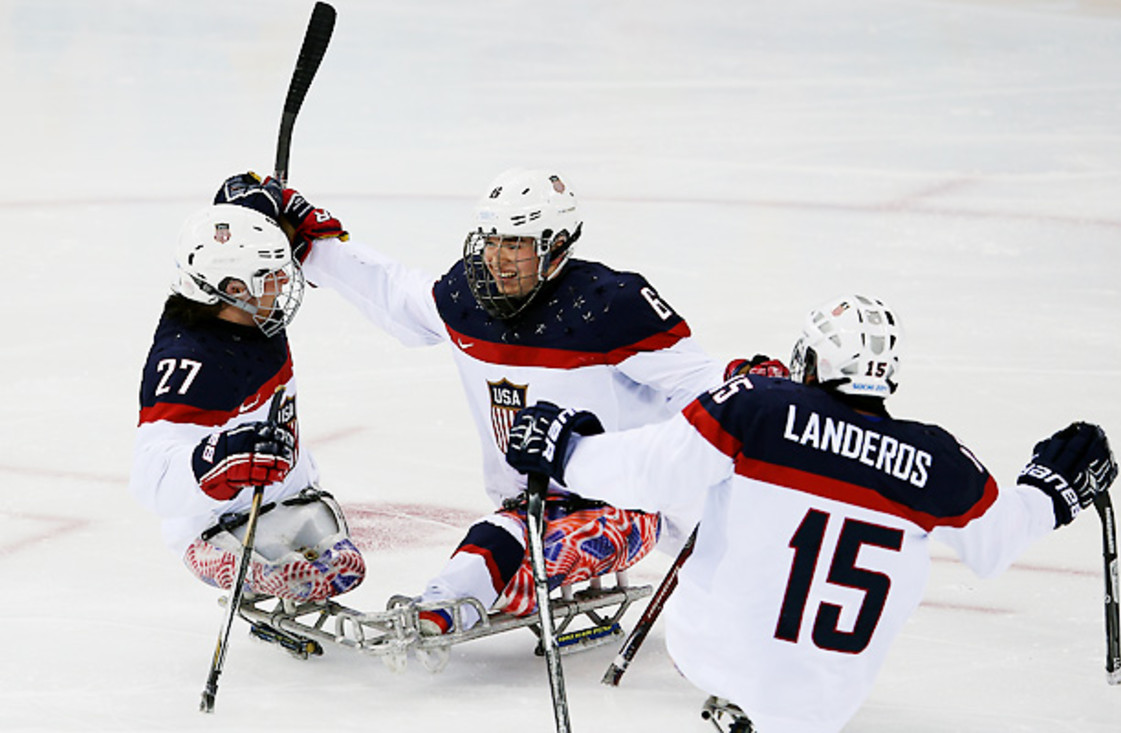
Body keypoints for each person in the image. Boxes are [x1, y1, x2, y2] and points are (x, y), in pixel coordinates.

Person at [505, 293, 1118, 733]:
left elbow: (652, 472)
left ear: (812, 362)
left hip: (712, 655)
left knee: (715, 491)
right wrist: (1052, 489)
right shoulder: (937, 458)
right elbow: (997, 540)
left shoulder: (760, 407)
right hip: (826, 704)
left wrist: (568, 450)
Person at [213, 168, 748, 633]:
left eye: (517, 243)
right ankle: (444, 607)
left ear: (557, 243)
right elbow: (390, 290)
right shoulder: (466, 299)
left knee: (511, 548)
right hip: (525, 511)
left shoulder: (612, 308)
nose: (498, 259)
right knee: (506, 538)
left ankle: (447, 606)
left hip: (627, 509)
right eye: (492, 239)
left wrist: (759, 389)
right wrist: (301, 241)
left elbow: (700, 383)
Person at [130, 195, 365, 605]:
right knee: (298, 578)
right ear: (234, 288)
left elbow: (224, 229)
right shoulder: (191, 361)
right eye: (271, 275)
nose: (284, 283)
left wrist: (258, 201)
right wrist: (216, 463)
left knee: (345, 568)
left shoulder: (249, 311)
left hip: (288, 493)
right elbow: (152, 478)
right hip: (212, 524)